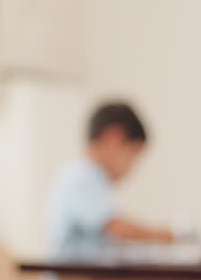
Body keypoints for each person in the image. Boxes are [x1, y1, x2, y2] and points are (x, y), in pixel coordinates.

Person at [46, 101, 174, 254]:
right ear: (113, 138)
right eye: (133, 154)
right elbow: (116, 227)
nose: (132, 167)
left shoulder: (91, 176)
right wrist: (163, 235)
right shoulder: (82, 175)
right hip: (73, 269)